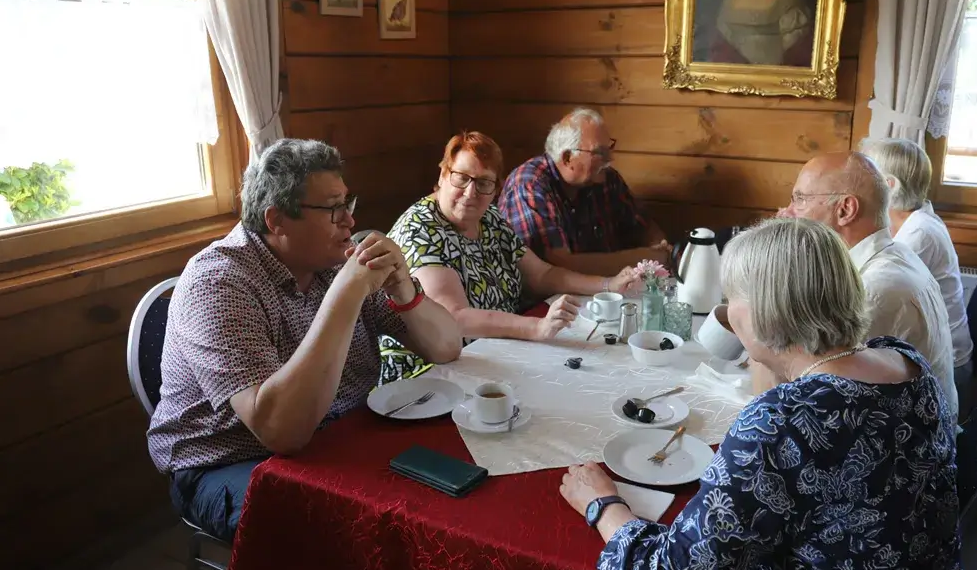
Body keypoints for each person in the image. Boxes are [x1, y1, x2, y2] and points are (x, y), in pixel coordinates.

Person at [560, 217, 962, 570]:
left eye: (732, 298)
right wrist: (772, 354)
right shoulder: (905, 361)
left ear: (763, 311)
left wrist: (603, 506)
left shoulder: (780, 424)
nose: (728, 312)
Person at [147, 138, 463, 542]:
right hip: (228, 459)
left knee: (446, 477)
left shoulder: (331, 261)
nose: (349, 221)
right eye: (332, 209)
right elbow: (282, 431)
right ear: (277, 219)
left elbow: (446, 348)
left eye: (347, 203)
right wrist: (346, 295)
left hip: (339, 433)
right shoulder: (218, 284)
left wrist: (405, 290)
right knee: (346, 528)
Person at [380, 131, 641, 382]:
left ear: (496, 189)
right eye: (461, 177)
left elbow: (542, 274)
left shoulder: (489, 218)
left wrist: (608, 285)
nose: (470, 193)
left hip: (493, 352)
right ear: (443, 175)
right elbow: (455, 317)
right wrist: (536, 327)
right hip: (429, 374)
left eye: (483, 183)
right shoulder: (420, 229)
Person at [777, 150, 959, 421]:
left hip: (909, 440)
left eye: (800, 199)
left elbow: (809, 392)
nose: (788, 212)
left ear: (845, 210)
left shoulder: (872, 289)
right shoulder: (894, 253)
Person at [496, 107, 671, 277]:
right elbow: (560, 266)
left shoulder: (606, 178)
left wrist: (659, 246)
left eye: (609, 148)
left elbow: (643, 225)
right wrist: (642, 259)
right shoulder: (529, 185)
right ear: (567, 158)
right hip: (555, 294)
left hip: (614, 287)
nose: (610, 158)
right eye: (600, 152)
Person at [862, 137, 975, 399]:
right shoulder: (914, 220)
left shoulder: (919, 234)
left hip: (947, 368)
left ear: (888, 185)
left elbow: (877, 293)